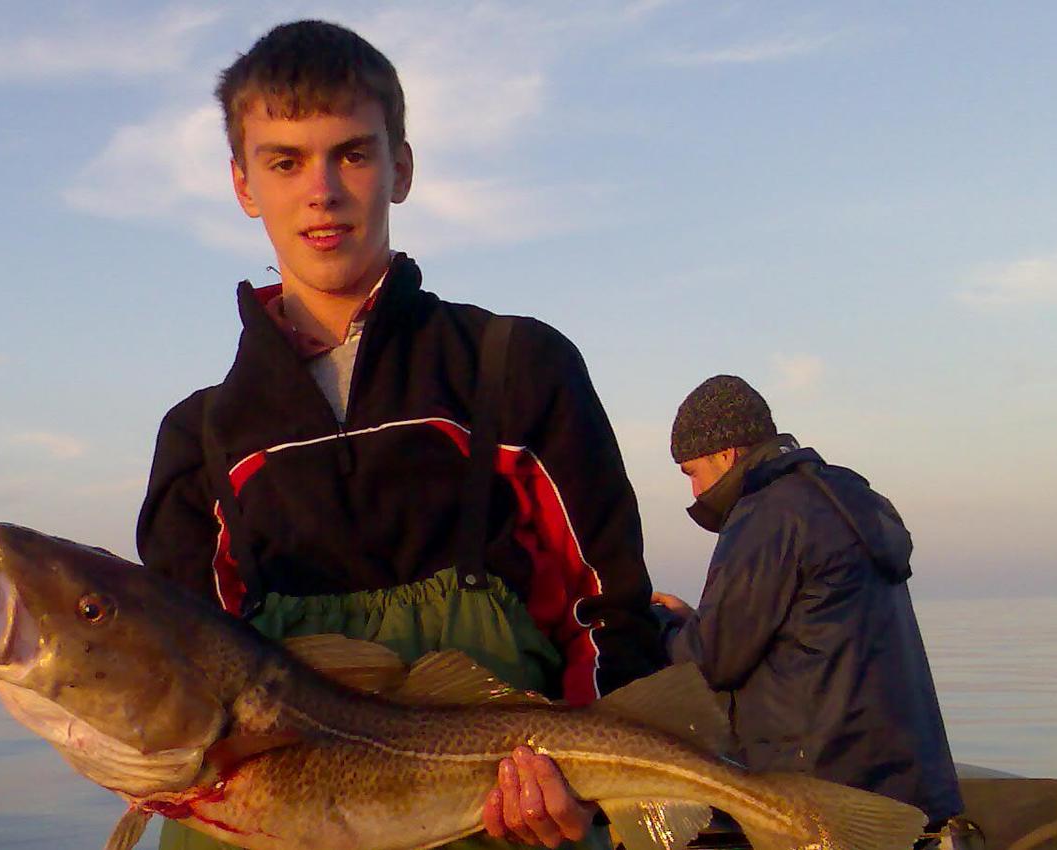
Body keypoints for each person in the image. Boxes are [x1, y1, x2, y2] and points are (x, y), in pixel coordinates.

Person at [136, 20, 663, 850]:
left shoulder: (517, 365)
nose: (321, 190)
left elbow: (608, 610)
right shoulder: (199, 437)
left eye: (350, 153)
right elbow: (176, 671)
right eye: (284, 161)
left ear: (400, 168)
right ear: (242, 184)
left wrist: (586, 792)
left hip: (506, 817)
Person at [651, 375, 964, 829]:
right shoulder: (846, 499)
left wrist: (659, 624)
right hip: (907, 787)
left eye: (692, 472)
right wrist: (694, 620)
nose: (695, 492)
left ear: (725, 453)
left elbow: (711, 664)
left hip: (826, 798)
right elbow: (805, 635)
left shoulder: (767, 514)